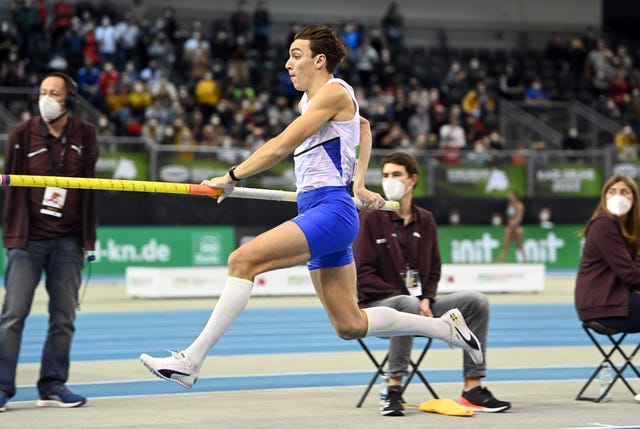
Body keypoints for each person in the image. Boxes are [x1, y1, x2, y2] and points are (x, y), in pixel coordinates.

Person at [139, 24, 482, 393]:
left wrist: (231, 176)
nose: (288, 64)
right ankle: (446, 328)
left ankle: (191, 361)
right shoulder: (311, 102)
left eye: (296, 56)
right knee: (349, 324)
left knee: (243, 261)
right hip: (316, 208)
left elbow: (280, 146)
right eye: (288, 56)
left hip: (332, 211)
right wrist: (360, 182)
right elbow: (364, 127)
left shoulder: (334, 93)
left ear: (320, 61)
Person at [354, 152, 511, 416]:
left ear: (412, 179)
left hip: (420, 303)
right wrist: (413, 302)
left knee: (477, 301)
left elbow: (434, 268)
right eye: (385, 176)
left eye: (396, 175)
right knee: (406, 304)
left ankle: (473, 388)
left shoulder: (425, 219)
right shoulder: (370, 217)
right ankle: (392, 389)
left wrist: (426, 299)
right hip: (378, 306)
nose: (389, 181)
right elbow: (363, 275)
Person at [0, 72, 99, 412]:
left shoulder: (85, 134)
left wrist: (89, 239)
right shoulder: (20, 134)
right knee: (13, 315)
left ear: (69, 99)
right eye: (42, 92)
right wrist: (11, 235)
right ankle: (1, 387)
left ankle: (53, 385)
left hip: (69, 240)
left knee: (63, 317)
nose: (46, 98)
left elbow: (90, 192)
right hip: (27, 241)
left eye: (54, 93)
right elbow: (10, 189)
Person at [575, 174, 640, 334]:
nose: (618, 196)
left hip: (618, 299)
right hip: (603, 304)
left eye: (624, 192)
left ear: (634, 198)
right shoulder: (604, 225)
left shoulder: (632, 229)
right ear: (605, 198)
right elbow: (629, 273)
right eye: (612, 192)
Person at [497, 189, 526, 262]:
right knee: (504, 246)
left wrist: (512, 226)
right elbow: (510, 217)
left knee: (520, 246)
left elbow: (519, 218)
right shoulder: (510, 205)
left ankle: (526, 262)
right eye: (509, 196)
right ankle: (500, 264)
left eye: (511, 196)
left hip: (517, 227)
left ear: (515, 196)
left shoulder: (519, 205)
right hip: (511, 227)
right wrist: (509, 227)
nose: (509, 197)